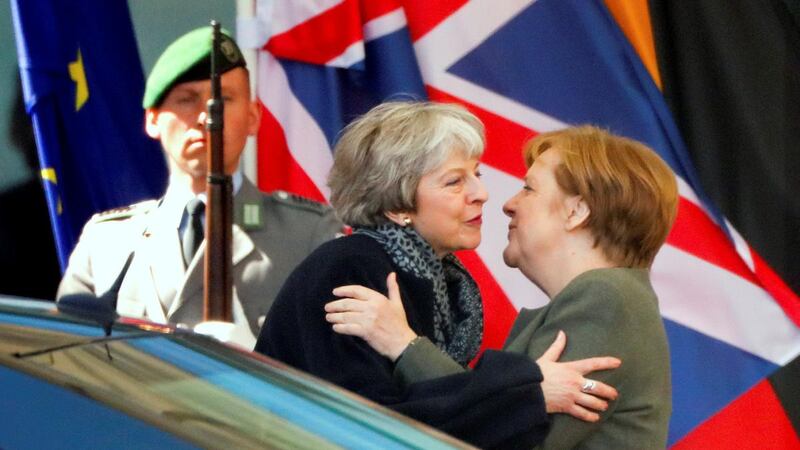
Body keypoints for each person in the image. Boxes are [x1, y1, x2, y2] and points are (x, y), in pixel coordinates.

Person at [256, 102, 621, 448]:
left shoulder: (443, 279)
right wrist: (528, 394)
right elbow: (369, 425)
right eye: (454, 182)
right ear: (398, 205)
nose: (482, 193)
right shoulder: (350, 268)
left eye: (476, 175)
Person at [326, 125, 678, 448]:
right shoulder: (611, 300)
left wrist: (403, 344)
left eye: (528, 188)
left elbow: (509, 435)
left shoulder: (606, 298)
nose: (509, 205)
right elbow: (498, 410)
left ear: (576, 211)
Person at [57, 27, 343, 348]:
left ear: (253, 117)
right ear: (152, 119)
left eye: (223, 100)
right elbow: (66, 356)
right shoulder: (107, 241)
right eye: (186, 100)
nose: (207, 117)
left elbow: (336, 365)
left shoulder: (308, 234)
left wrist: (260, 356)